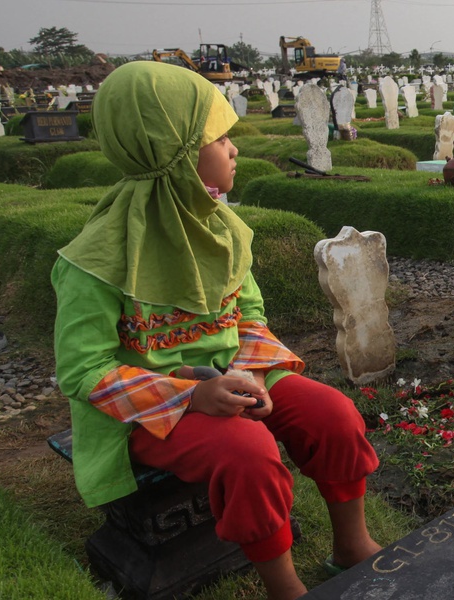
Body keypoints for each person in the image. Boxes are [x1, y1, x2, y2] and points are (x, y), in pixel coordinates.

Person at [52, 62, 381, 600]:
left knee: (334, 415)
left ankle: (352, 545)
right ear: (176, 153)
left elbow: (249, 317)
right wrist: (194, 395)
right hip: (150, 411)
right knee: (248, 451)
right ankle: (285, 587)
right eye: (219, 137)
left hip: (234, 377)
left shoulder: (222, 229)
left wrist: (250, 377)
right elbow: (83, 369)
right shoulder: (95, 260)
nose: (232, 150)